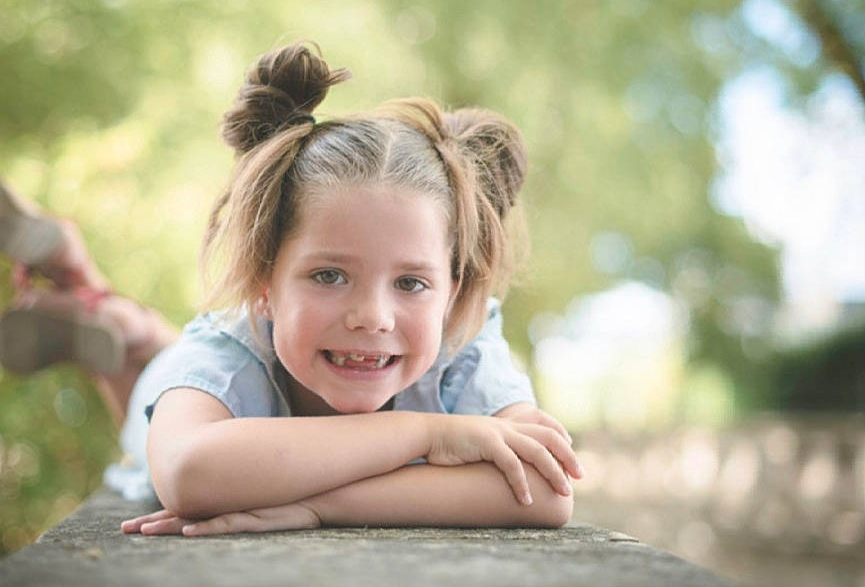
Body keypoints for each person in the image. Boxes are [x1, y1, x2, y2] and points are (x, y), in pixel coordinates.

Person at [0, 42, 581, 536]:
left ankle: (103, 307)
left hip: (243, 373)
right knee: (161, 373)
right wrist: (429, 431)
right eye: (329, 275)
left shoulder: (462, 341)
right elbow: (184, 473)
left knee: (177, 363)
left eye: (411, 282)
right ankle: (106, 311)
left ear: (453, 293)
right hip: (200, 372)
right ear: (264, 282)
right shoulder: (229, 350)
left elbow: (545, 489)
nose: (372, 316)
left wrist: (317, 505)